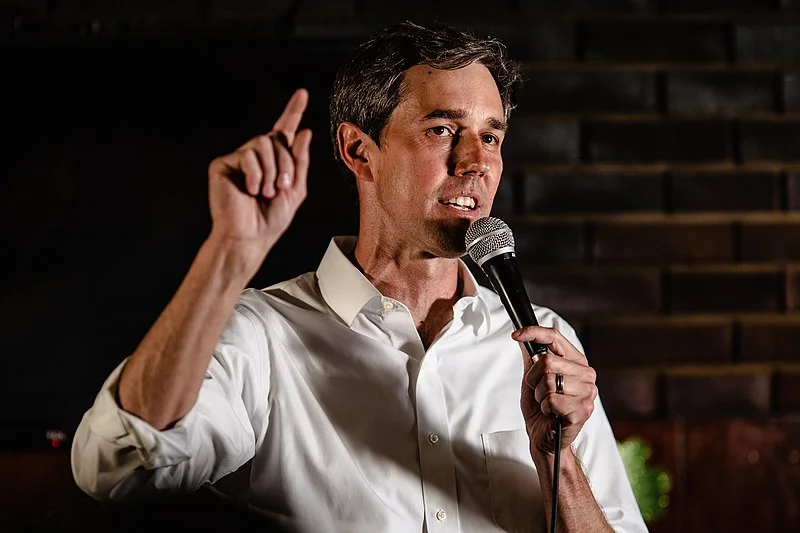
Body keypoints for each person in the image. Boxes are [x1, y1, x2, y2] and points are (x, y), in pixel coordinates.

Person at [71, 21, 647, 533]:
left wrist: (557, 463)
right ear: (358, 150)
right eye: (442, 130)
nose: (476, 161)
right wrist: (229, 253)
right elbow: (117, 466)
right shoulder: (263, 337)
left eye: (491, 136)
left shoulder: (544, 343)